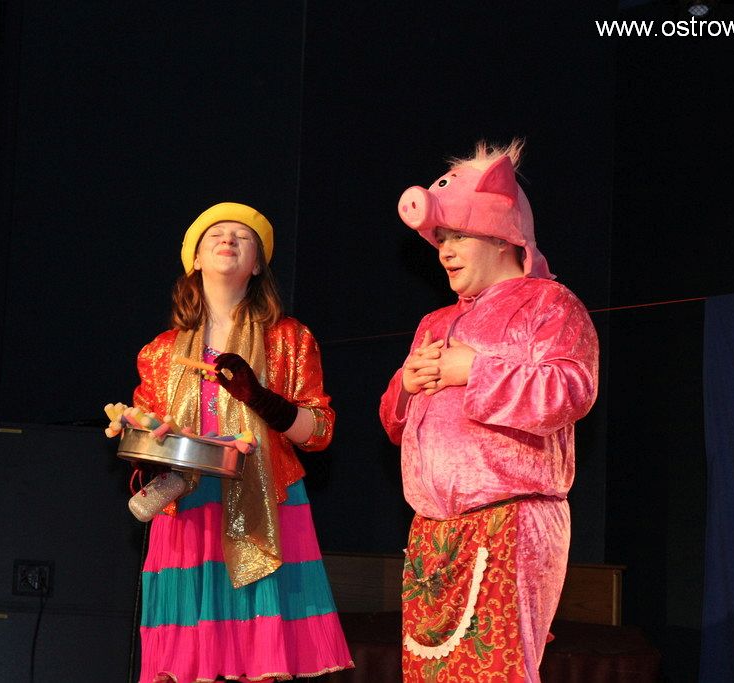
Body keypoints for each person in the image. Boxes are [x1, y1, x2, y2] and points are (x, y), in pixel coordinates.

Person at [379, 141, 599, 682]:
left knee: (497, 672)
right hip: (432, 533)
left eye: (458, 236)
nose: (445, 251)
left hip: (512, 521)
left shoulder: (550, 304)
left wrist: (474, 370)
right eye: (441, 240)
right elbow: (395, 424)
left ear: (502, 237)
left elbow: (571, 391)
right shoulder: (433, 322)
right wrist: (405, 386)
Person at [120, 202, 353, 682]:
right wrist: (147, 437)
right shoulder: (160, 351)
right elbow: (146, 431)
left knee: (259, 662)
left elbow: (320, 432)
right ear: (195, 259)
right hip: (188, 507)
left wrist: (261, 399)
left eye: (243, 236)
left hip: (267, 500)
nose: (228, 239)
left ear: (259, 264)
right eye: (216, 234)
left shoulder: (289, 338)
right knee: (188, 665)